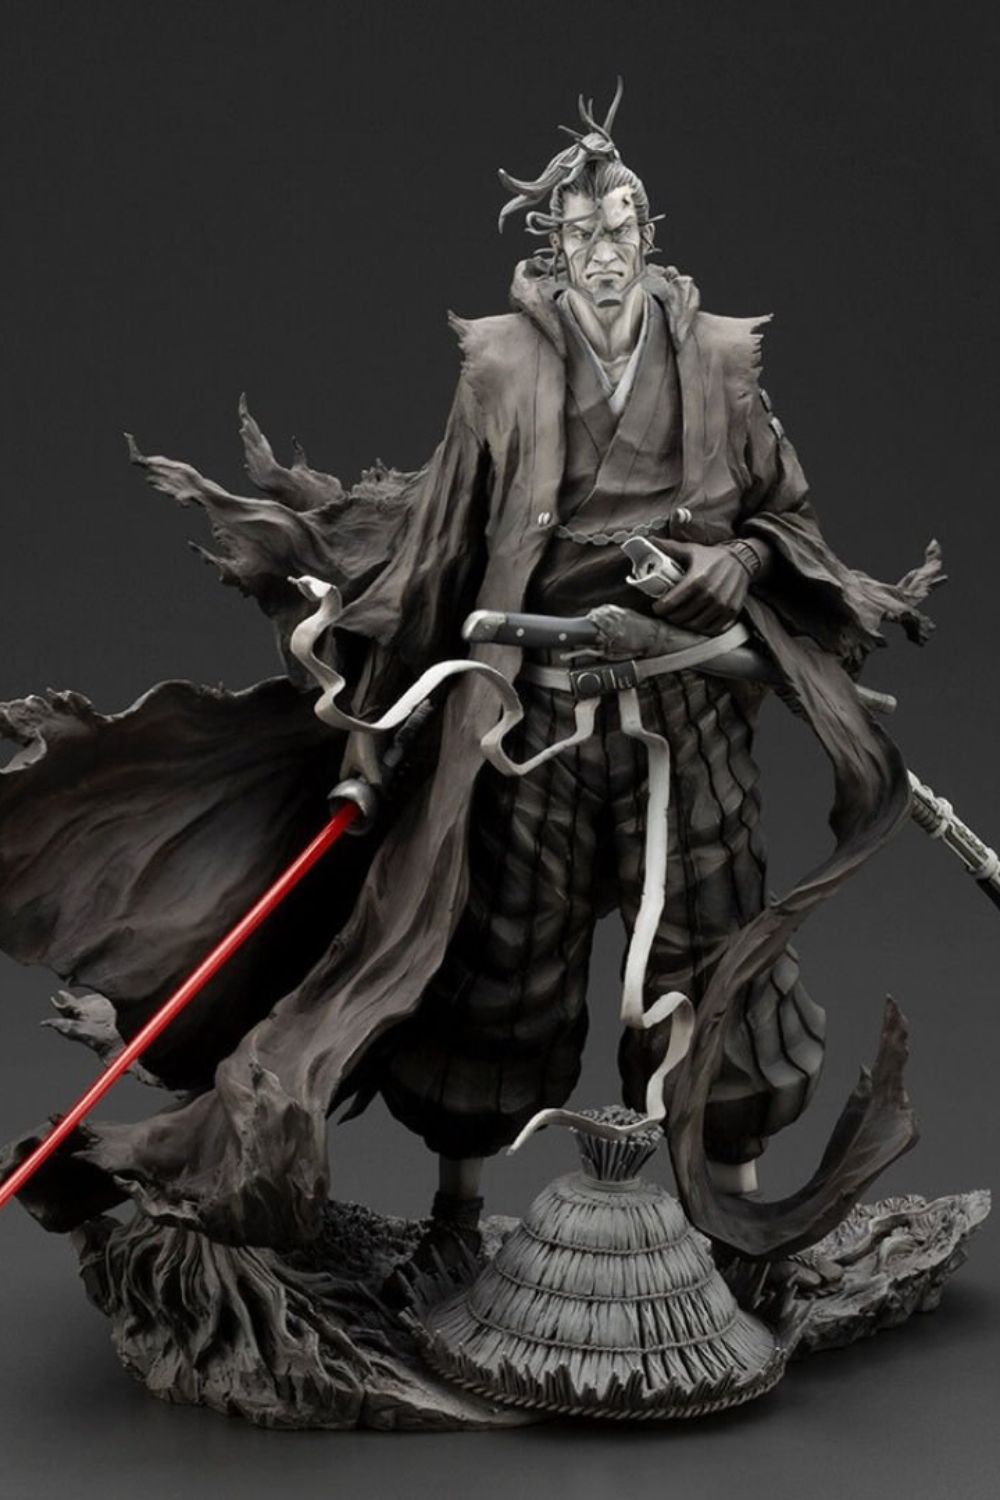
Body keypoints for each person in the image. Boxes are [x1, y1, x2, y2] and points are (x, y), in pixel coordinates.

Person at [0, 87, 940, 1262]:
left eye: (623, 226)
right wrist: (367, 740)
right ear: (556, 247)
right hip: (529, 726)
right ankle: (454, 1225)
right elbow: (440, 550)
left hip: (688, 718)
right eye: (583, 232)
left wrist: (731, 564)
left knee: (718, 964)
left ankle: (733, 1240)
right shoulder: (503, 371)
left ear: (651, 234)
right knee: (500, 972)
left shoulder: (718, 365)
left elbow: (781, 519)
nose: (606, 251)